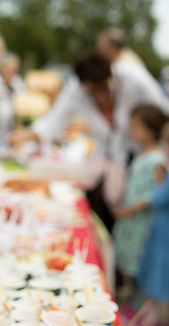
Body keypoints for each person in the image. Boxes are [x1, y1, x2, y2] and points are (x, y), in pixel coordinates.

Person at [9, 51, 169, 231]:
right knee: (106, 209)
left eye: (105, 88)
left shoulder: (133, 77)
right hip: (107, 159)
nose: (101, 96)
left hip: (140, 153)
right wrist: (26, 135)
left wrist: (164, 154)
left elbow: (161, 112)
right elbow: (54, 120)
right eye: (93, 92)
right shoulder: (76, 90)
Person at [112, 105, 167, 302]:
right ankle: (133, 298)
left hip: (141, 222)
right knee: (129, 260)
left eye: (136, 127)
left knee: (139, 260)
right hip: (132, 219)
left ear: (151, 131)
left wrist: (128, 210)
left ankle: (139, 304)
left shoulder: (157, 159)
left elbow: (153, 195)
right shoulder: (143, 154)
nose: (131, 131)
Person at [138, 121, 169, 325]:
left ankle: (152, 319)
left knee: (158, 277)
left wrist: (159, 179)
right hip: (160, 231)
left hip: (164, 236)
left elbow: (158, 199)